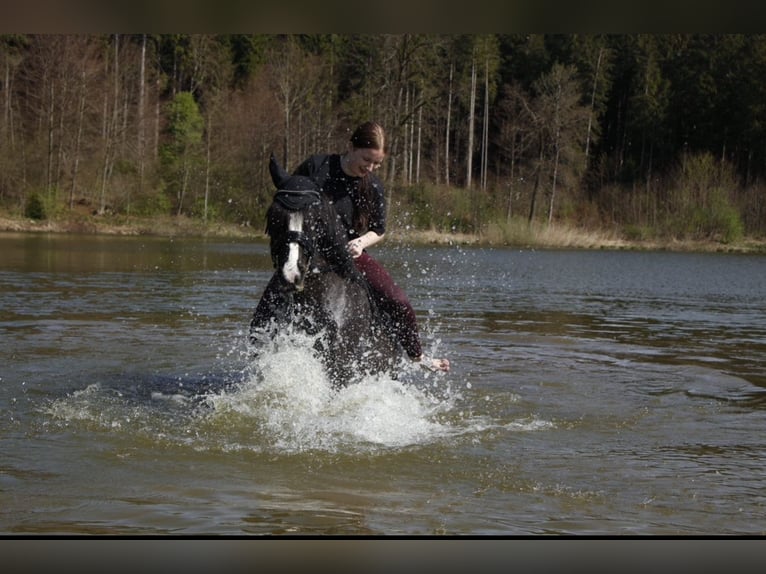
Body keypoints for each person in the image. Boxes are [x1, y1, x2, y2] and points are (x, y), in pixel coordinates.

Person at [252, 121, 449, 373]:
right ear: (352, 147)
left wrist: (360, 242)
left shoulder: (373, 186)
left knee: (399, 301)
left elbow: (379, 229)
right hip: (308, 252)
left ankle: (418, 357)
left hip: (349, 254)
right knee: (267, 308)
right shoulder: (317, 166)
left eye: (376, 163)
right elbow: (294, 195)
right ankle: (260, 357)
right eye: (367, 159)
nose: (370, 167)